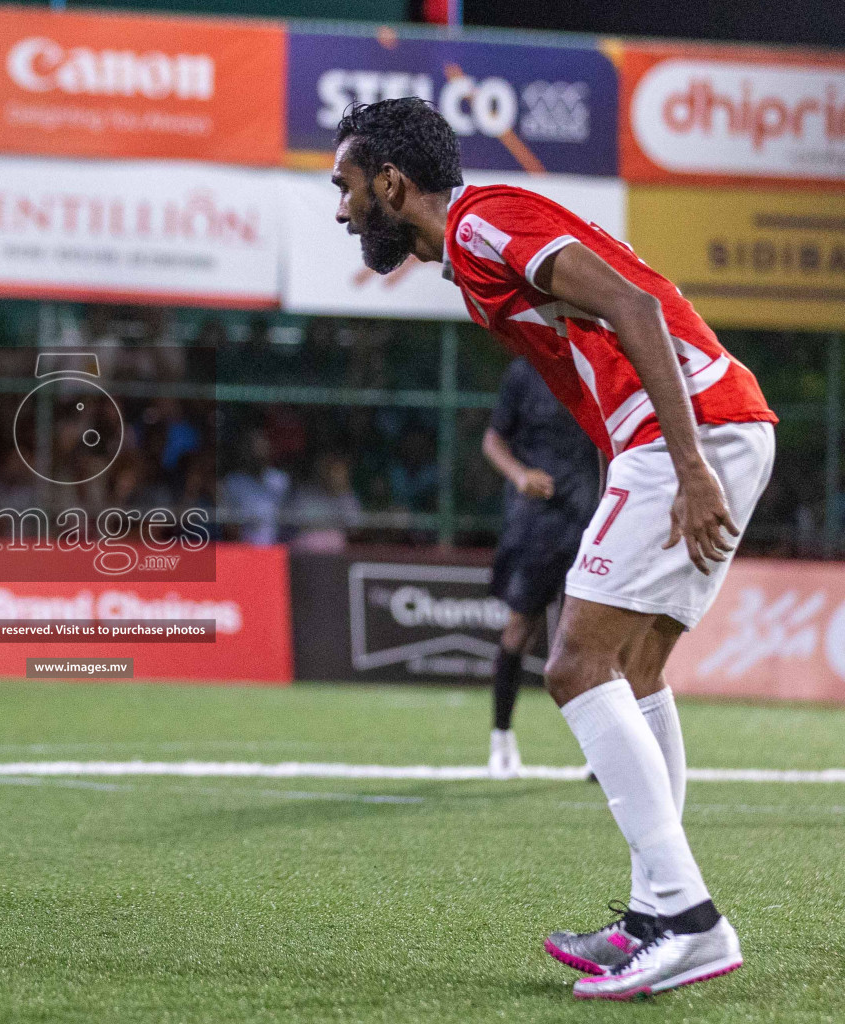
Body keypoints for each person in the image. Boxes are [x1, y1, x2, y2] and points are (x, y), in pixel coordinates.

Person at [329, 97, 775, 998]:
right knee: (635, 672)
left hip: (683, 433)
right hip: (708, 425)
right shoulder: (469, 251)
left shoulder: (486, 224)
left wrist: (686, 465)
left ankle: (688, 918)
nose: (341, 210)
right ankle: (659, 911)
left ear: (391, 181)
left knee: (574, 667)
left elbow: (636, 306)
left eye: (345, 186)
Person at [481, 358, 600, 778]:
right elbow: (492, 441)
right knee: (520, 630)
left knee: (592, 643)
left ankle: (601, 754)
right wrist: (519, 475)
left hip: (589, 524)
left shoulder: (596, 366)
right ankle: (501, 739)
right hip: (536, 524)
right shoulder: (524, 372)